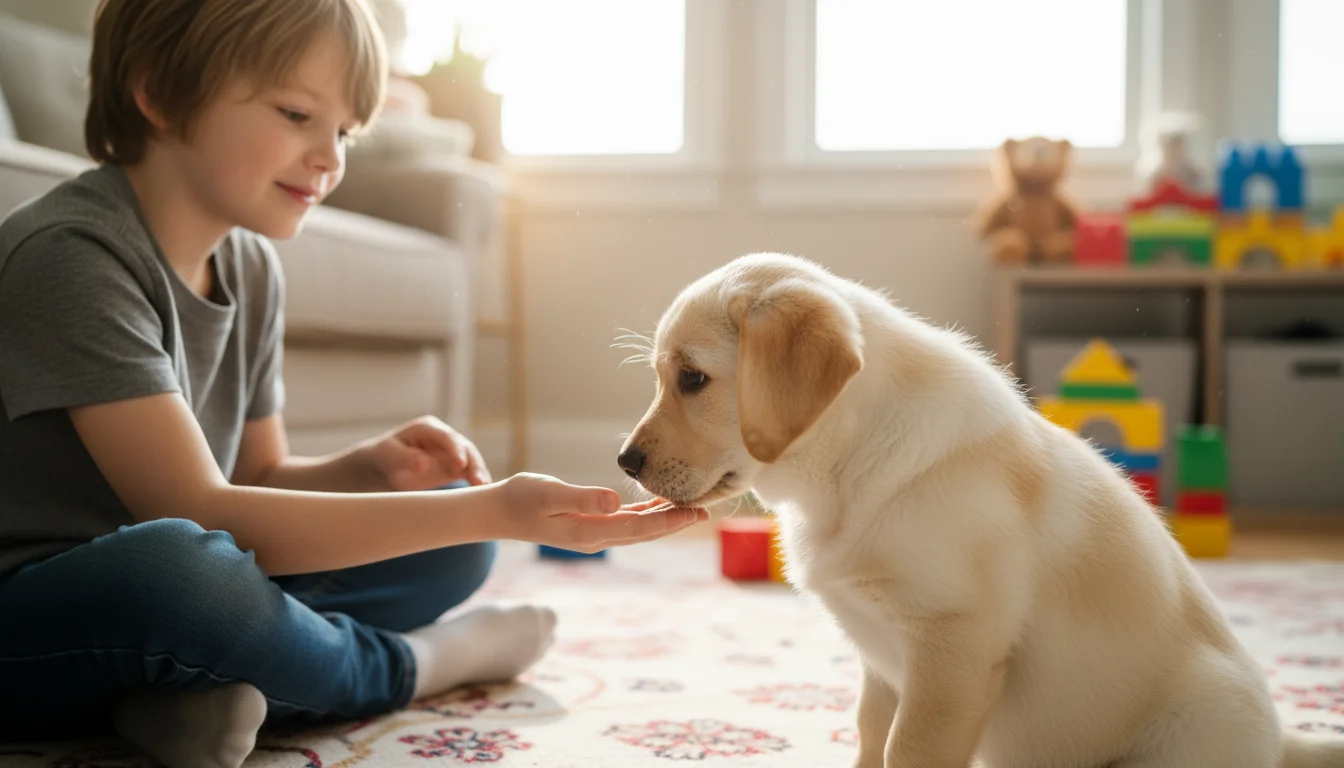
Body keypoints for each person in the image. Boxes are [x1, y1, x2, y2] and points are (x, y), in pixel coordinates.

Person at [0, 0, 708, 764]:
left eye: (342, 131)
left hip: (155, 607)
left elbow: (257, 477)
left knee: (445, 539)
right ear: (159, 92)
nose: (329, 158)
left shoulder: (248, 265)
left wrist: (367, 470)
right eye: (298, 113)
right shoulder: (71, 255)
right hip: (35, 613)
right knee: (180, 578)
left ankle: (169, 704)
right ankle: (414, 665)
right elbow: (193, 511)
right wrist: (495, 509)